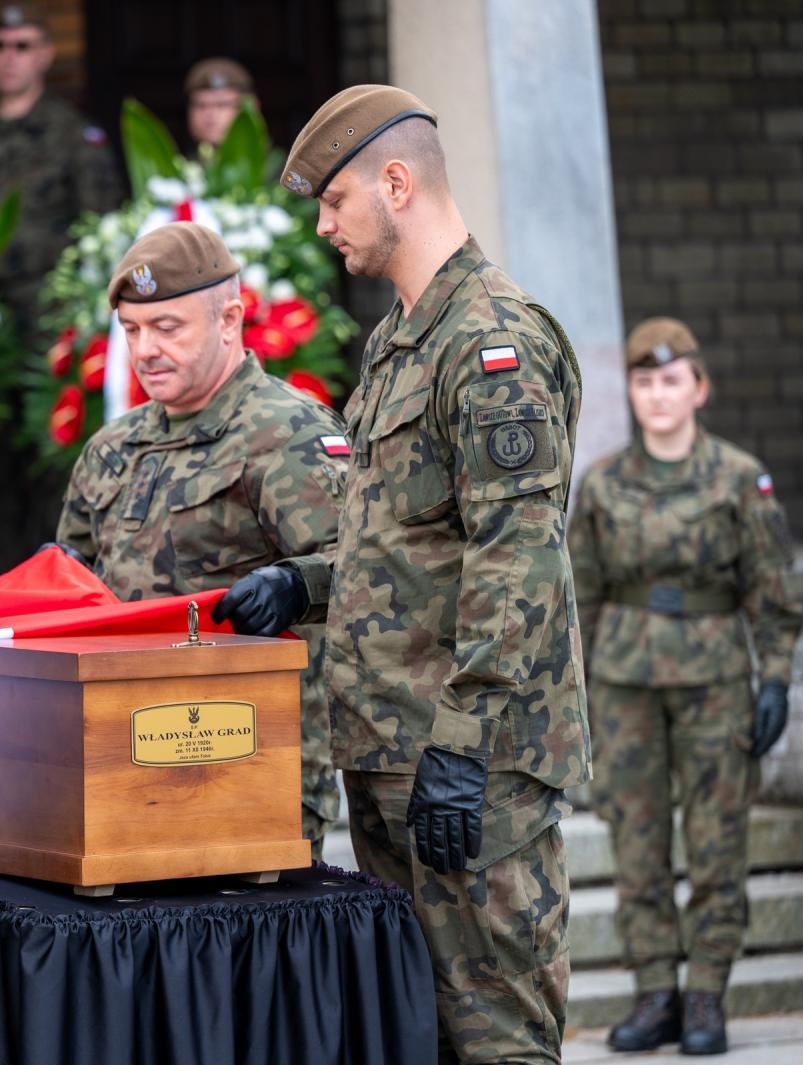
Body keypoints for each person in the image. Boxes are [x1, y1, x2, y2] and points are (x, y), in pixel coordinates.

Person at [280, 85, 588, 1063]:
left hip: (469, 763)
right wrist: (302, 585)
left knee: (493, 1033)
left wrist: (462, 746)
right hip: (387, 750)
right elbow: (402, 544)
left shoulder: (491, 342)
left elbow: (519, 555)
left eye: (334, 201)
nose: (325, 225)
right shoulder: (394, 345)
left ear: (396, 184)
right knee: (418, 1034)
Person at [54, 221, 348, 852]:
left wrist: (296, 585)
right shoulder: (111, 448)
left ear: (229, 319)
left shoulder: (284, 431)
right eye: (132, 330)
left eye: (167, 328)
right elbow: (70, 589)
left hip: (250, 760)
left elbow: (366, 569)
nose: (145, 350)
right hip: (120, 761)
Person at [569, 318, 802, 1056]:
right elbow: (583, 595)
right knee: (636, 845)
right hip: (625, 682)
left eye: (671, 380)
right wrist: (576, 695)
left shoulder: (740, 478)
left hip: (714, 684)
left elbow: (771, 592)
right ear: (631, 392)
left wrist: (777, 681)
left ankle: (706, 992)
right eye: (643, 381)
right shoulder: (603, 483)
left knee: (715, 845)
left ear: (699, 388)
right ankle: (655, 994)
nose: (657, 394)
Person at [0, 2, 123, 581]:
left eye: (22, 45)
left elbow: (103, 236)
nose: (9, 58)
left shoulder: (75, 138)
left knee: (54, 476)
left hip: (51, 338)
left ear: (44, 53)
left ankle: (55, 594)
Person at [184, 57, 256, 152]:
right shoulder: (178, 164)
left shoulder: (274, 164)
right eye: (201, 105)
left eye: (222, 105)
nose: (210, 114)